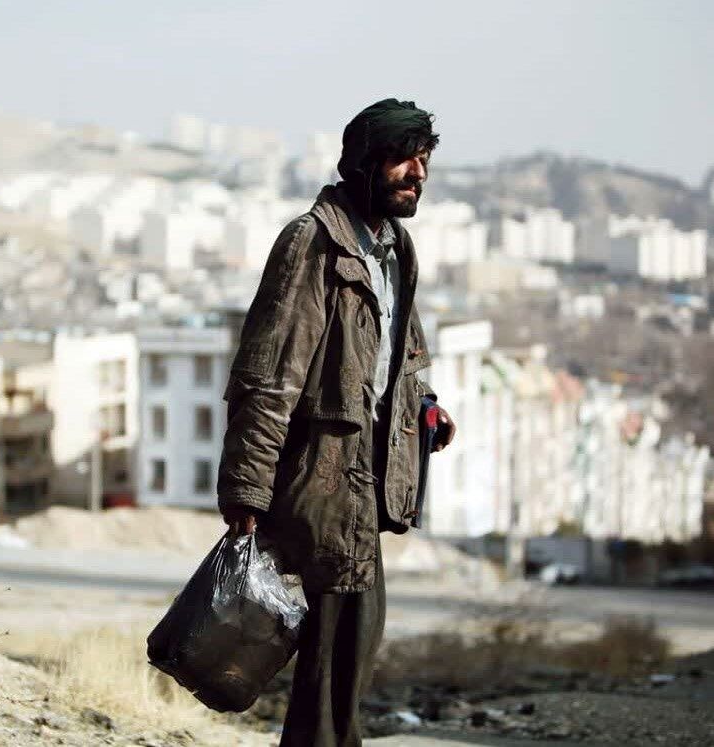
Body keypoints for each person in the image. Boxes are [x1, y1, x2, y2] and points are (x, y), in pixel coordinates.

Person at [216, 98, 456, 746]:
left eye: (425, 159)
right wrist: (246, 490)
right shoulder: (313, 243)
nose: (419, 173)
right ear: (366, 162)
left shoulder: (393, 249)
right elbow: (267, 375)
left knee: (353, 643)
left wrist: (425, 408)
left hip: (363, 479)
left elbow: (399, 354)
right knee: (331, 656)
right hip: (318, 479)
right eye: (406, 158)